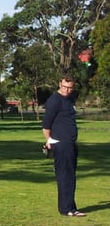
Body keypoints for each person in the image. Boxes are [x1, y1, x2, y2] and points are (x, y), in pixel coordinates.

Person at [42, 75, 85, 217]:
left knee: (70, 176)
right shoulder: (54, 101)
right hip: (61, 143)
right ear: (60, 84)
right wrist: (48, 141)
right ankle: (66, 209)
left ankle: (70, 207)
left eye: (69, 88)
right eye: (64, 87)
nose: (66, 90)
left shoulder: (70, 99)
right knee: (64, 175)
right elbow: (46, 125)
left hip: (70, 142)